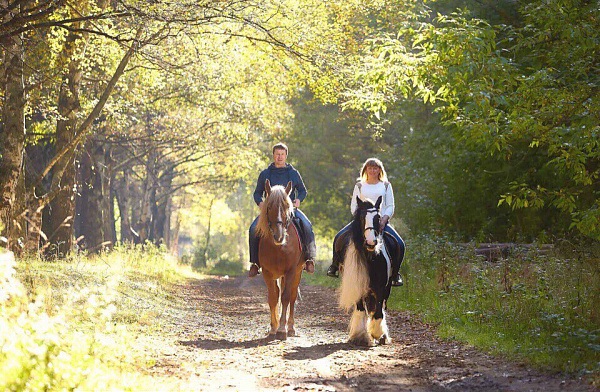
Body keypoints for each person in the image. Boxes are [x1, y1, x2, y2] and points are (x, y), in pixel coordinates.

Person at [327, 158, 405, 286]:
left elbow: (390, 205)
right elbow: (354, 205)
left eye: (375, 168)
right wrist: (360, 220)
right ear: (365, 170)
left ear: (379, 170)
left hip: (380, 222)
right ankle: (335, 265)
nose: (373, 171)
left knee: (400, 244)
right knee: (338, 237)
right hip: (362, 222)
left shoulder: (385, 185)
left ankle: (395, 274)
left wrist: (384, 219)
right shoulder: (359, 185)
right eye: (370, 168)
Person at [248, 143, 316, 277]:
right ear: (273, 155)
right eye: (277, 154)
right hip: (270, 211)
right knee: (253, 229)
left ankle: (309, 259)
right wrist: (260, 203)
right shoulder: (265, 174)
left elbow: (303, 191)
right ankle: (255, 262)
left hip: (289, 210)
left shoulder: (293, 173)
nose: (279, 157)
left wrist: (298, 200)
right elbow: (257, 193)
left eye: (282, 154)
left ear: (286, 156)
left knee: (307, 225)